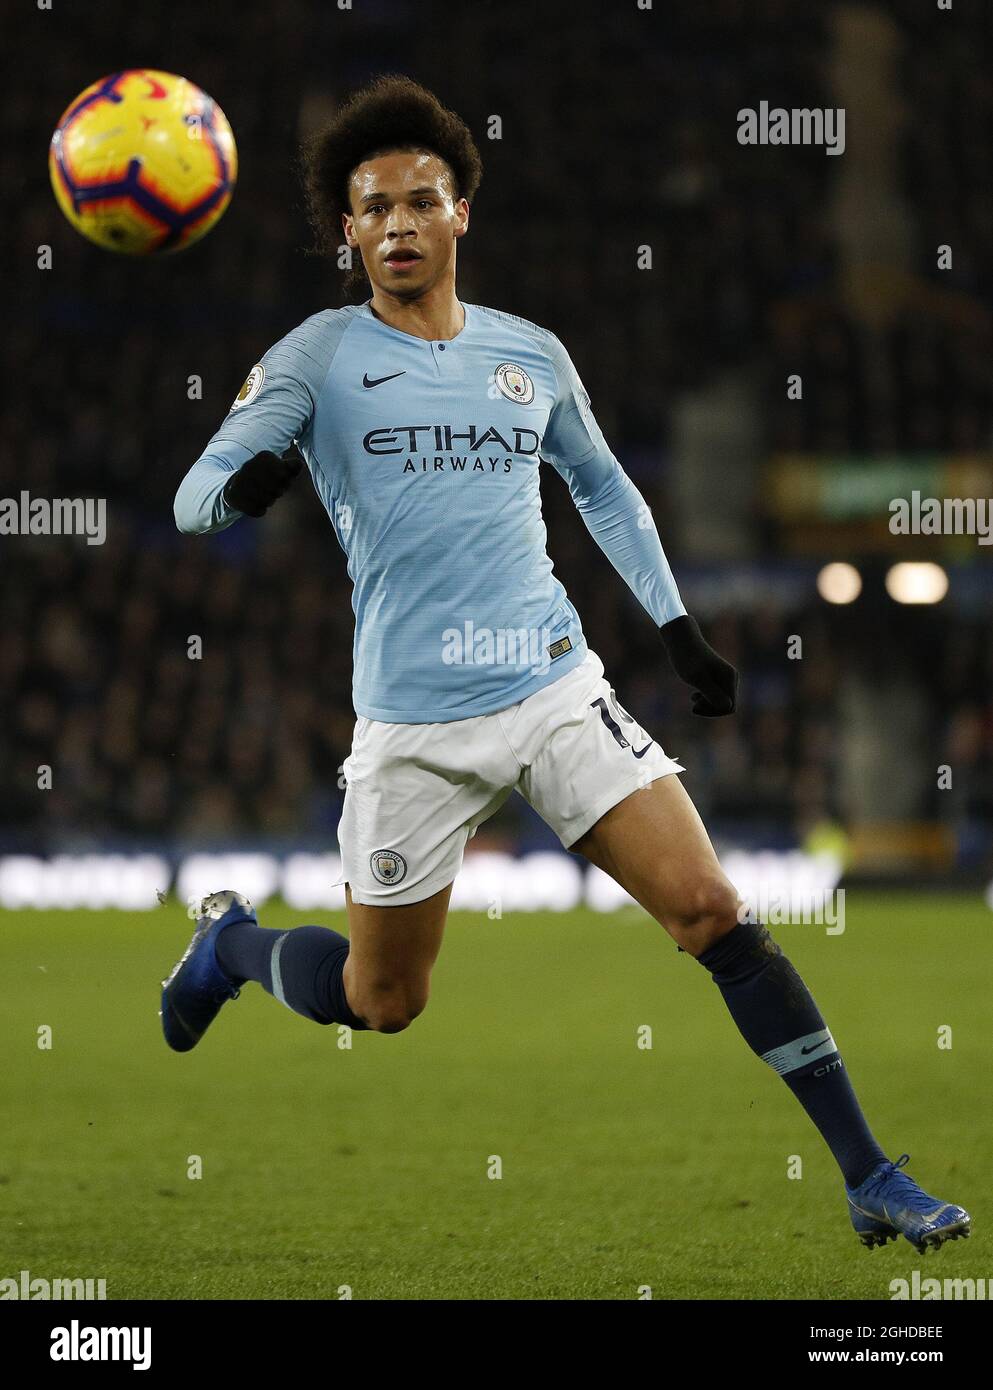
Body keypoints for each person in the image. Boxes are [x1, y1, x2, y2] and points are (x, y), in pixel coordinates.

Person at [164, 75, 968, 1254]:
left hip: (551, 687)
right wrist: (249, 484)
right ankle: (229, 946)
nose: (397, 224)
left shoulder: (527, 353)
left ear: (460, 215)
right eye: (372, 206)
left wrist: (676, 628)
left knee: (711, 909)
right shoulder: (315, 356)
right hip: (412, 724)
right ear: (346, 230)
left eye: (420, 201)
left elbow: (602, 485)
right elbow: (189, 500)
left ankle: (869, 1172)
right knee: (383, 1003)